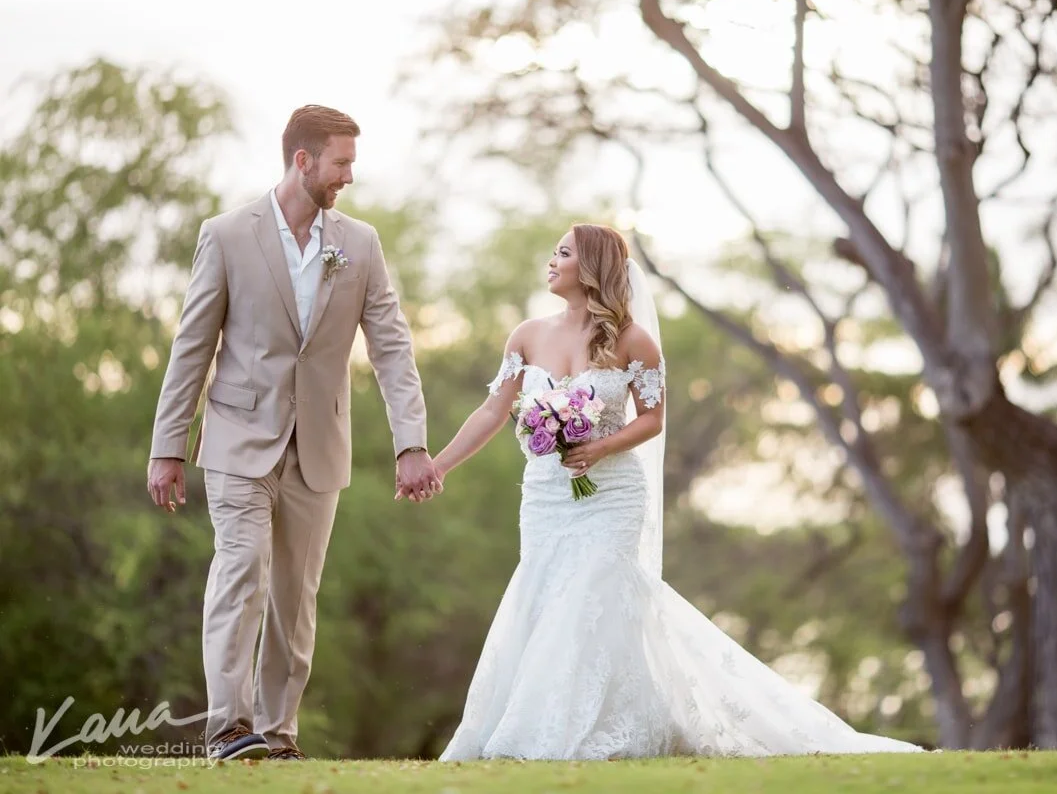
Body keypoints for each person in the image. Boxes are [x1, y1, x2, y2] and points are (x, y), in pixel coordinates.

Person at [433, 224, 926, 760]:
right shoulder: (526, 335)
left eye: (564, 253)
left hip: (612, 494)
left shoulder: (633, 341)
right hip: (548, 496)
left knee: (591, 592)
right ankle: (554, 720)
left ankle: (568, 733)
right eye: (553, 252)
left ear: (593, 267)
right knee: (547, 595)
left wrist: (598, 448)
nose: (551, 261)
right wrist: (438, 465)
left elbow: (652, 420)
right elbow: (492, 411)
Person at [146, 105, 442, 761]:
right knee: (241, 571)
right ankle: (228, 728)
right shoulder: (226, 235)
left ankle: (277, 734)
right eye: (342, 163)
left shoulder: (359, 243)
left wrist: (410, 442)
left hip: (320, 447)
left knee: (295, 600)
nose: (350, 178)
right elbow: (192, 347)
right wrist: (168, 445)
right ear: (303, 160)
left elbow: (392, 348)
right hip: (236, 438)